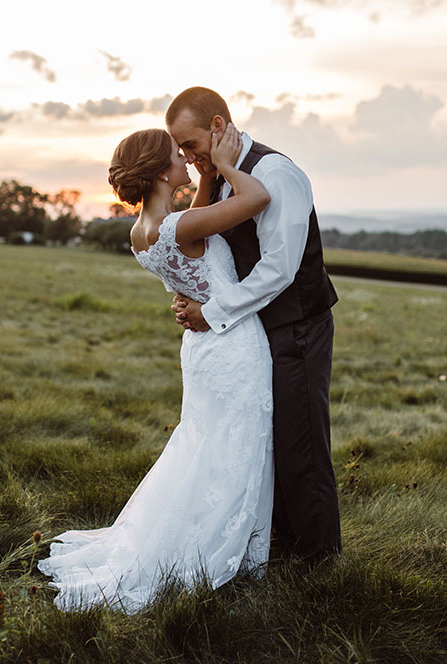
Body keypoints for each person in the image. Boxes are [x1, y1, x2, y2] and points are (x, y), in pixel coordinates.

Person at [38, 124, 276, 613]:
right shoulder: (180, 228)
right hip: (232, 347)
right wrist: (229, 167)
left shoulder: (141, 234)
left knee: (207, 446)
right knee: (234, 446)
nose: (187, 161)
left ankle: (206, 538)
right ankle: (223, 553)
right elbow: (257, 196)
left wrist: (206, 177)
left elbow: (193, 224)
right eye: (177, 155)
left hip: (201, 347)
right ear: (160, 171)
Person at [166, 86, 341, 563]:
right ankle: (281, 547)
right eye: (179, 149)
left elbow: (279, 269)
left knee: (301, 442)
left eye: (191, 144)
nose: (186, 156)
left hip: (297, 325)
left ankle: (321, 562)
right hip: (255, 327)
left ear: (218, 126)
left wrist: (213, 312)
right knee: (270, 439)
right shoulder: (221, 176)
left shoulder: (275, 173)